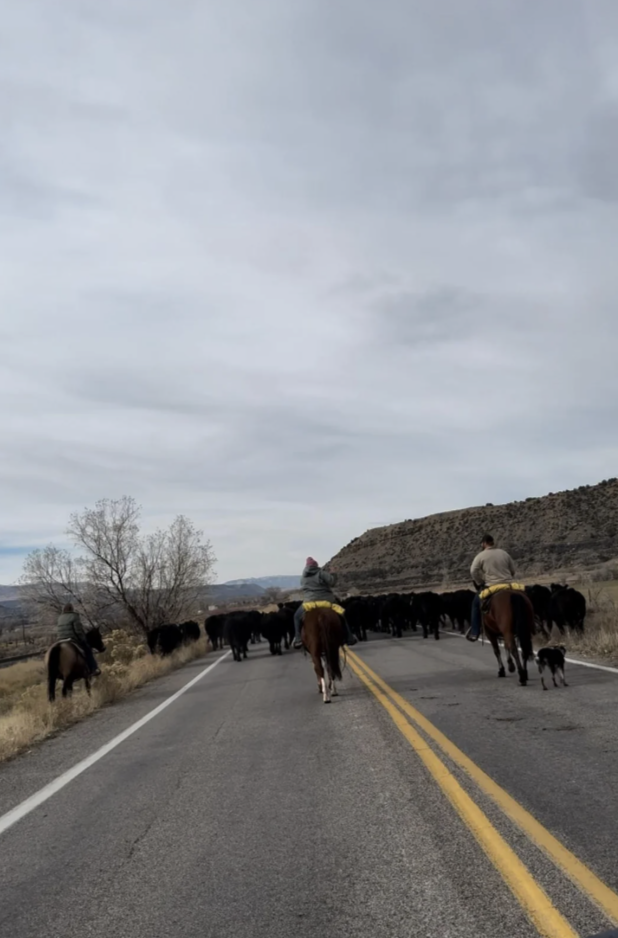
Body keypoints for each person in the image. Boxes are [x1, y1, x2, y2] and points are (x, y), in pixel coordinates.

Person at [293, 557, 358, 649]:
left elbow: (303, 587)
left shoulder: (303, 577)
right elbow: (332, 582)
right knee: (342, 614)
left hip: (309, 603)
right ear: (316, 565)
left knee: (296, 617)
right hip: (327, 601)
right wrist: (333, 573)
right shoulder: (321, 573)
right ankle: (349, 637)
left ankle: (298, 639)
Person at [466, 534, 517, 642]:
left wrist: (480, 582)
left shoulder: (481, 556)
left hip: (491, 586)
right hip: (508, 584)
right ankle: (533, 624)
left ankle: (475, 632)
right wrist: (507, 578)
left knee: (475, 605)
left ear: (484, 543)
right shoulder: (504, 553)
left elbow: (473, 571)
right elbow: (512, 570)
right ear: (493, 542)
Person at [56, 603, 101, 675]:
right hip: (71, 638)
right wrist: (82, 638)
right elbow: (78, 630)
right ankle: (94, 669)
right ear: (71, 609)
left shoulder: (60, 617)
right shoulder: (74, 616)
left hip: (60, 639)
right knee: (88, 650)